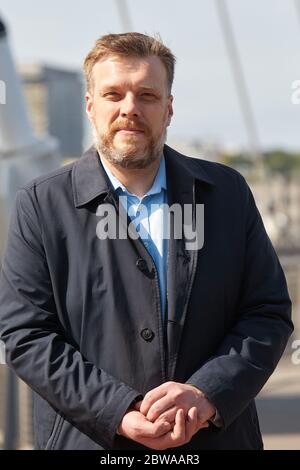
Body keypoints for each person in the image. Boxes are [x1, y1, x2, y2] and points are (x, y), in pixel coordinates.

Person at [0, 32, 293, 450]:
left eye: (147, 95)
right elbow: (27, 334)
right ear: (90, 106)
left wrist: (207, 394)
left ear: (169, 108)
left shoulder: (227, 194)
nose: (129, 109)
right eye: (113, 94)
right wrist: (118, 409)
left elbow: (267, 313)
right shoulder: (42, 205)